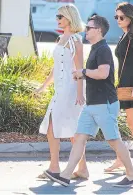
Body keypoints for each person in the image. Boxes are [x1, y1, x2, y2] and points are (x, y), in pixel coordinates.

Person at [44, 15, 133, 187]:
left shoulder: (103, 50)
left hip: (104, 103)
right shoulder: (95, 48)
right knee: (79, 138)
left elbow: (103, 73)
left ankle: (131, 174)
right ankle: (66, 175)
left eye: (89, 28)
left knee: (114, 140)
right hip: (91, 104)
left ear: (98, 30)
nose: (86, 30)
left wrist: (83, 72)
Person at [35, 4, 89, 180]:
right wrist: (43, 86)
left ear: (69, 18)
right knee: (73, 129)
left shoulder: (76, 40)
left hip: (71, 89)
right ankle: (82, 169)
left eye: (60, 16)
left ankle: (54, 167)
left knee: (53, 126)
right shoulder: (60, 39)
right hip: (60, 89)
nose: (57, 19)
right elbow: (55, 68)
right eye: (57, 16)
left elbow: (80, 69)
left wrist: (80, 94)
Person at [104, 2, 133, 173]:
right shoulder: (125, 36)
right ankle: (121, 159)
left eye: (121, 17)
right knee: (122, 123)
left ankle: (123, 160)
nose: (118, 20)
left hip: (130, 86)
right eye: (116, 17)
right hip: (123, 85)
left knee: (131, 124)